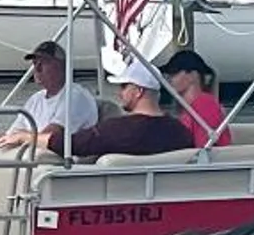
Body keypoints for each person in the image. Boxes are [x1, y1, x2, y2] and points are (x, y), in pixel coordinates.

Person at [0, 40, 100, 153]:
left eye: (43, 63)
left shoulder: (75, 96)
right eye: (35, 63)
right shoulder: (36, 99)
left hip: (60, 163)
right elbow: (10, 136)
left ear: (61, 66)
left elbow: (50, 138)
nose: (37, 69)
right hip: (34, 161)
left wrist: (21, 137)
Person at [68, 55, 196, 159]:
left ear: (139, 91)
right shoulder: (180, 133)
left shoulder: (115, 130)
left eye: (124, 86)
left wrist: (55, 135)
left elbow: (72, 145)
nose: (120, 93)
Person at [159, 48, 232, 147]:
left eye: (174, 72)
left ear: (192, 75)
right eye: (168, 74)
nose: (169, 78)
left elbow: (204, 149)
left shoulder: (205, 105)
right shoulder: (191, 107)